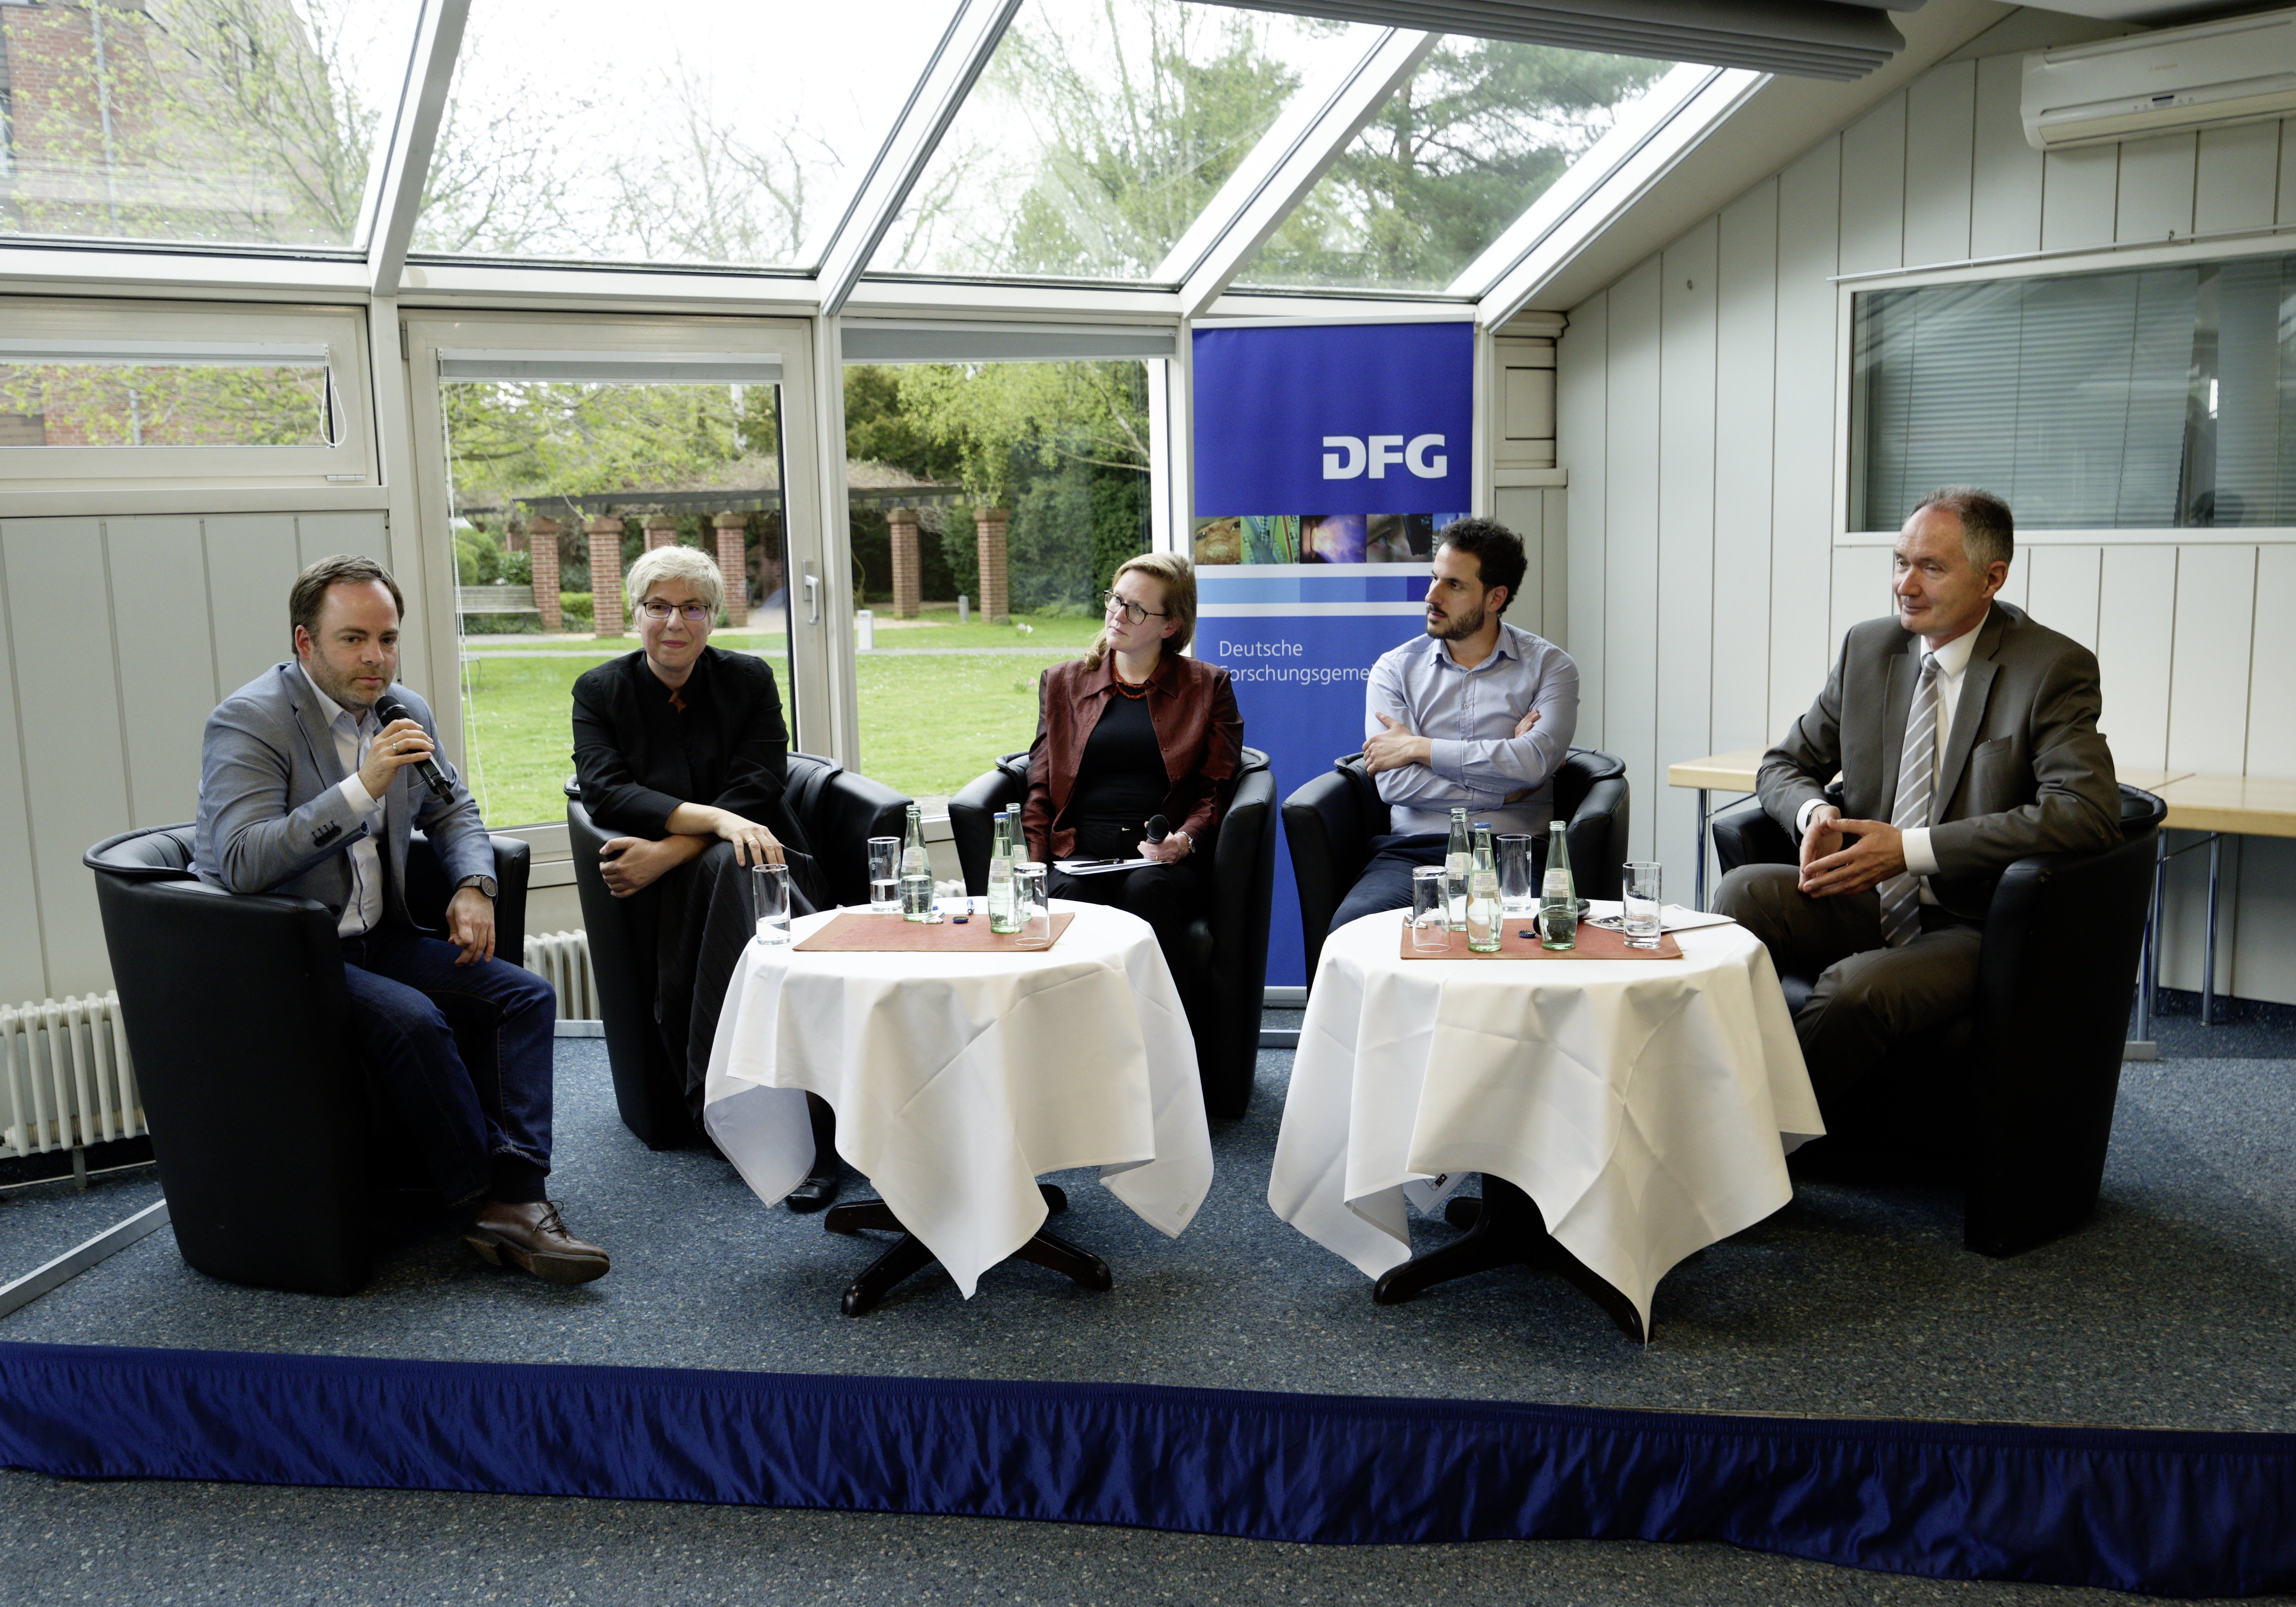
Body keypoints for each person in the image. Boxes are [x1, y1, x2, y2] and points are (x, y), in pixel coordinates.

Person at [195, 555, 608, 1284]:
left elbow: (455, 810)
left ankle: (516, 1192)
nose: (375, 659)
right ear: (304, 643)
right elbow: (239, 861)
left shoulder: (401, 709)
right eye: (353, 640)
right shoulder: (250, 719)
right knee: (415, 1019)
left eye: (387, 639)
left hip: (377, 937)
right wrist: (362, 788)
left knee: (524, 996)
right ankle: (490, 1201)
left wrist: (474, 885)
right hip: (288, 953)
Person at [1714, 486, 2121, 1110]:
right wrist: (1814, 812)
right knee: (1738, 894)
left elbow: (2086, 813)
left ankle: (1760, 1140)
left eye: (1930, 568)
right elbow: (1784, 764)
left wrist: (1912, 850)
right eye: (1900, 563)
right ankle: (1716, 1099)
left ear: (1992, 578)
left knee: (1854, 990)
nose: (1905, 584)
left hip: (1972, 922)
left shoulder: (2050, 668)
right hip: (1865, 898)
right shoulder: (1868, 649)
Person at [571, 544, 845, 1210]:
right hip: (717, 878)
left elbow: (759, 785)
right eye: (658, 606)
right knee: (735, 861)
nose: (674, 622)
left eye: (692, 607)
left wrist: (668, 851)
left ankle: (754, 1114)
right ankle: (802, 1116)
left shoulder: (748, 679)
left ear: (713, 617)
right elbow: (606, 792)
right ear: (635, 613)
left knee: (740, 862)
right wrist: (716, 827)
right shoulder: (600, 691)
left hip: (762, 854)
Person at [1328, 518, 1580, 930]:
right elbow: (1394, 784)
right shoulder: (1394, 669)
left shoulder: (1551, 667)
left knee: (1521, 936)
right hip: (1413, 852)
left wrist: (1418, 748)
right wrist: (1507, 789)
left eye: (1454, 585)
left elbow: (1534, 761)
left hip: (1512, 852)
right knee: (1354, 928)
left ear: (1494, 597)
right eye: (1433, 579)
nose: (1431, 596)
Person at [1022, 553, 1244, 1000]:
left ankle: (1167, 1043)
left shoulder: (1208, 687)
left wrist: (1182, 841)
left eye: (1136, 608)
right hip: (1079, 852)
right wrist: (1030, 864)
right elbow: (1041, 785)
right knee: (1068, 892)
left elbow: (1216, 789)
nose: (1117, 615)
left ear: (1169, 626)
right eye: (1115, 600)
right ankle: (1079, 1043)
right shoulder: (1063, 682)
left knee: (1148, 889)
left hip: (1162, 860)